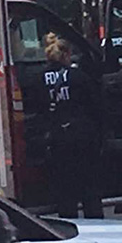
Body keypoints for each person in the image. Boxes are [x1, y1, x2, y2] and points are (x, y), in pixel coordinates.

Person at [39, 33, 104, 219]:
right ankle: (95, 226)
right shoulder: (78, 76)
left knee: (65, 191)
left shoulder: (39, 78)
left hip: (57, 139)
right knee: (89, 190)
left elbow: (38, 107)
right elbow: (96, 105)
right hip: (82, 137)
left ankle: (70, 227)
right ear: (67, 55)